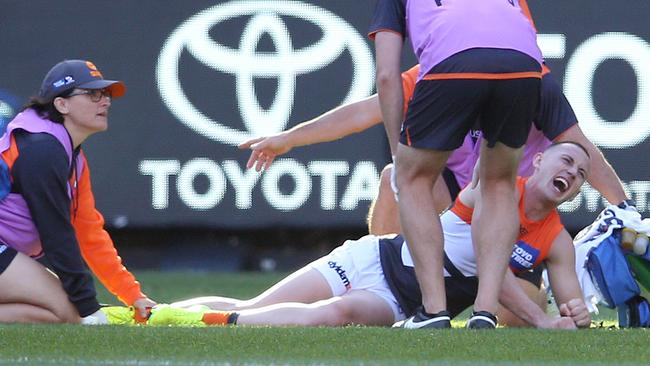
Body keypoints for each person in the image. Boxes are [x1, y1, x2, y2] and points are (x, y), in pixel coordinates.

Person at [148, 142, 592, 329]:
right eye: (565, 160)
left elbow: (571, 307)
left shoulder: (556, 241)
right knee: (256, 303)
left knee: (335, 314)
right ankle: (147, 313)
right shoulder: (492, 190)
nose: (571, 172)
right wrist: (543, 322)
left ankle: (209, 323)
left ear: (576, 191)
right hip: (374, 257)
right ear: (536, 162)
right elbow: (494, 271)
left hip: (401, 299)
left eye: (580, 174)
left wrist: (574, 316)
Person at [0, 60, 155, 324]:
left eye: (105, 94)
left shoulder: (67, 152)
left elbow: (87, 231)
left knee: (62, 314)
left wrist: (132, 294)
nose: (105, 101)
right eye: (93, 94)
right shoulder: (42, 150)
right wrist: (89, 307)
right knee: (73, 311)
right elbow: (56, 234)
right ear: (61, 104)